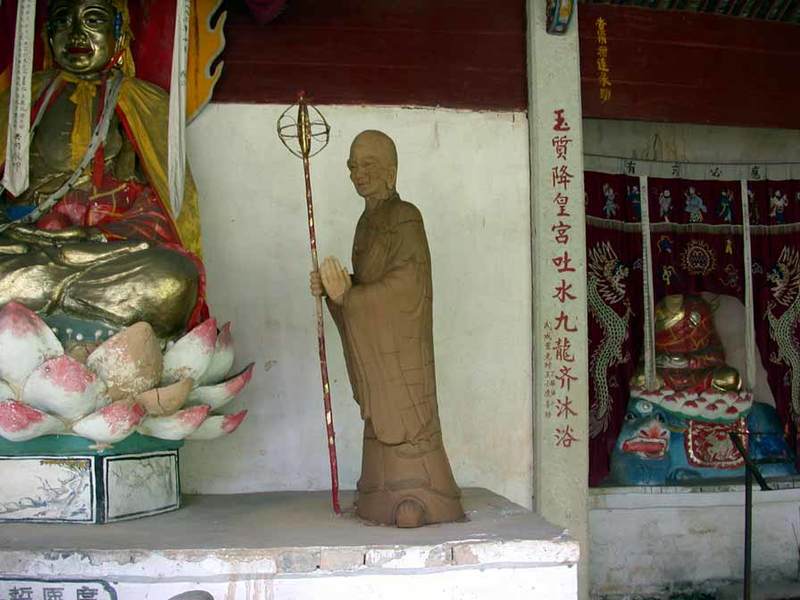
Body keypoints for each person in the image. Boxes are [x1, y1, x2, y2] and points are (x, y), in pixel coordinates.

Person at [0, 0, 205, 340]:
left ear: (119, 33)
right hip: (27, 244)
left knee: (173, 278)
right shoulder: (20, 99)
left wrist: (95, 236)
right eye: (63, 21)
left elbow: (164, 207)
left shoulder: (146, 103)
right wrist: (21, 233)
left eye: (93, 19)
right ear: (47, 35)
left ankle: (38, 306)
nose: (76, 34)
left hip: (105, 249)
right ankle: (62, 302)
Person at [310, 130, 463, 528]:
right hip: (379, 346)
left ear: (391, 171)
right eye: (352, 166)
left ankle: (425, 494)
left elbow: (407, 285)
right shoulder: (366, 223)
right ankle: (378, 493)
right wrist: (335, 289)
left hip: (402, 345)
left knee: (408, 421)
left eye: (368, 165)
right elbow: (366, 283)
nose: (358, 174)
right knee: (379, 421)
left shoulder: (406, 216)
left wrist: (350, 297)